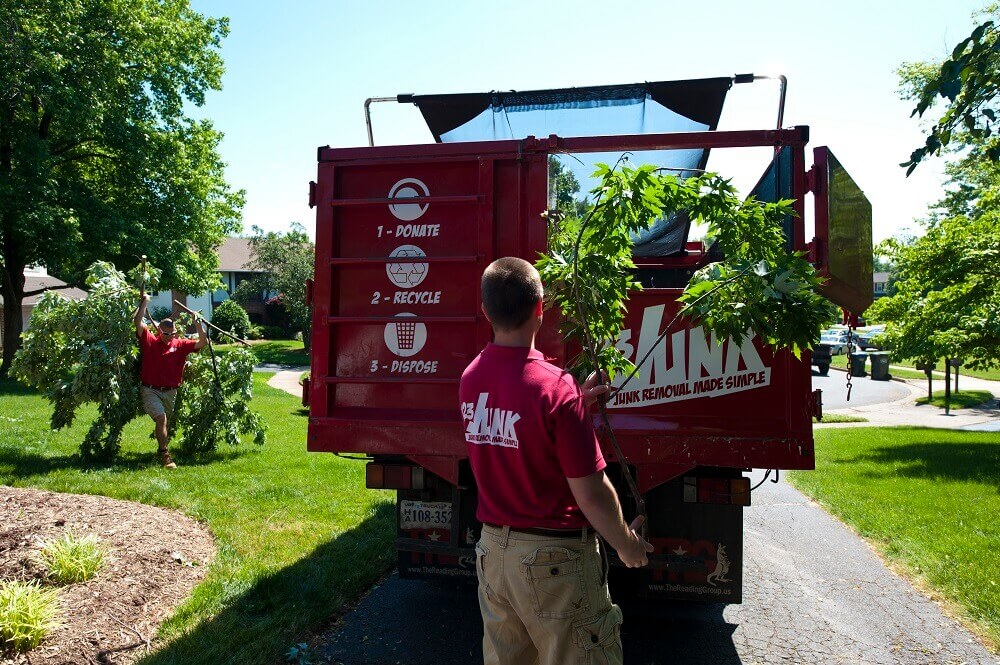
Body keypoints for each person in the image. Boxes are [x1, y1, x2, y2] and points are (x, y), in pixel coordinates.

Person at [459, 257, 653, 665]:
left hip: (493, 552)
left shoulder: (471, 377)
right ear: (541, 308)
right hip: (554, 563)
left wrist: (574, 404)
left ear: (485, 311)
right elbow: (591, 492)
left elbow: (516, 426)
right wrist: (627, 546)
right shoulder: (556, 389)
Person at [133, 293, 207, 468]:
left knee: (165, 421)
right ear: (159, 331)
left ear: (175, 332)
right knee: (161, 418)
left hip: (170, 391)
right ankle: (165, 456)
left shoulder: (180, 344)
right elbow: (138, 323)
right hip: (150, 389)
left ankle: (162, 447)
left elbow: (203, 342)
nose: (168, 336)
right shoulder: (149, 341)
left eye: (171, 333)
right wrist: (144, 302)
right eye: (165, 333)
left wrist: (197, 322)